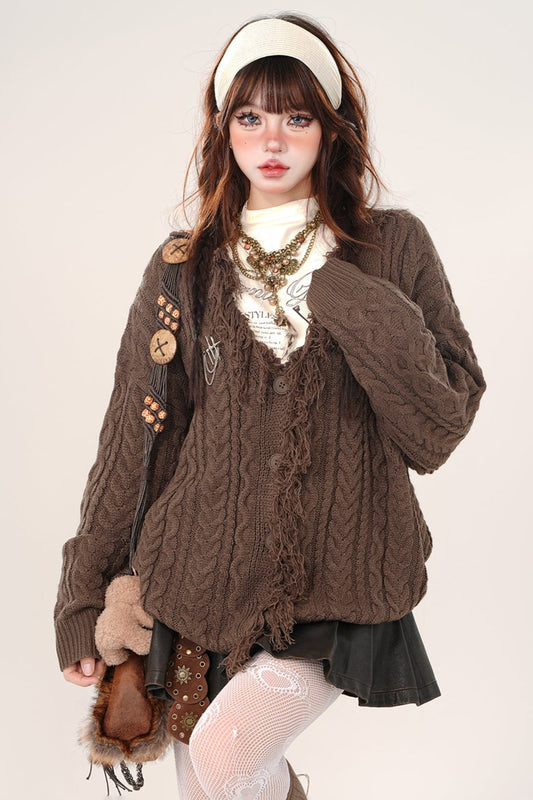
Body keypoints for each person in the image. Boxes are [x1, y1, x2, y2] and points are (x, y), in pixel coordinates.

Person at [54, 11, 487, 799]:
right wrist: (84, 599)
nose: (273, 140)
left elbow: (437, 426)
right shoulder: (183, 267)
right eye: (250, 118)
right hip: (196, 578)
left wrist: (340, 290)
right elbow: (134, 441)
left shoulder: (391, 247)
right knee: (208, 782)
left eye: (296, 118)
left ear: (330, 129)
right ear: (224, 130)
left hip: (336, 578)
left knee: (226, 756)